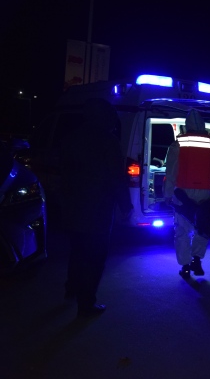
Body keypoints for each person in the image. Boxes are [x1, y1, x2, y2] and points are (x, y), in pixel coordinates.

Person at [60, 98, 133, 318]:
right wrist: (125, 204)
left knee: (78, 250)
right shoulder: (108, 141)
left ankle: (71, 288)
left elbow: (64, 172)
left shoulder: (72, 137)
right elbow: (116, 176)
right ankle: (86, 304)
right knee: (95, 258)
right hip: (98, 208)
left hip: (74, 205)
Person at [164, 109, 210, 278]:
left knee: (182, 230)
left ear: (187, 125)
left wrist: (167, 194)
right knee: (202, 227)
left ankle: (185, 266)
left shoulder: (179, 143)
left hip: (183, 193)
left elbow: (171, 171)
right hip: (206, 193)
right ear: (202, 124)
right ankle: (197, 260)